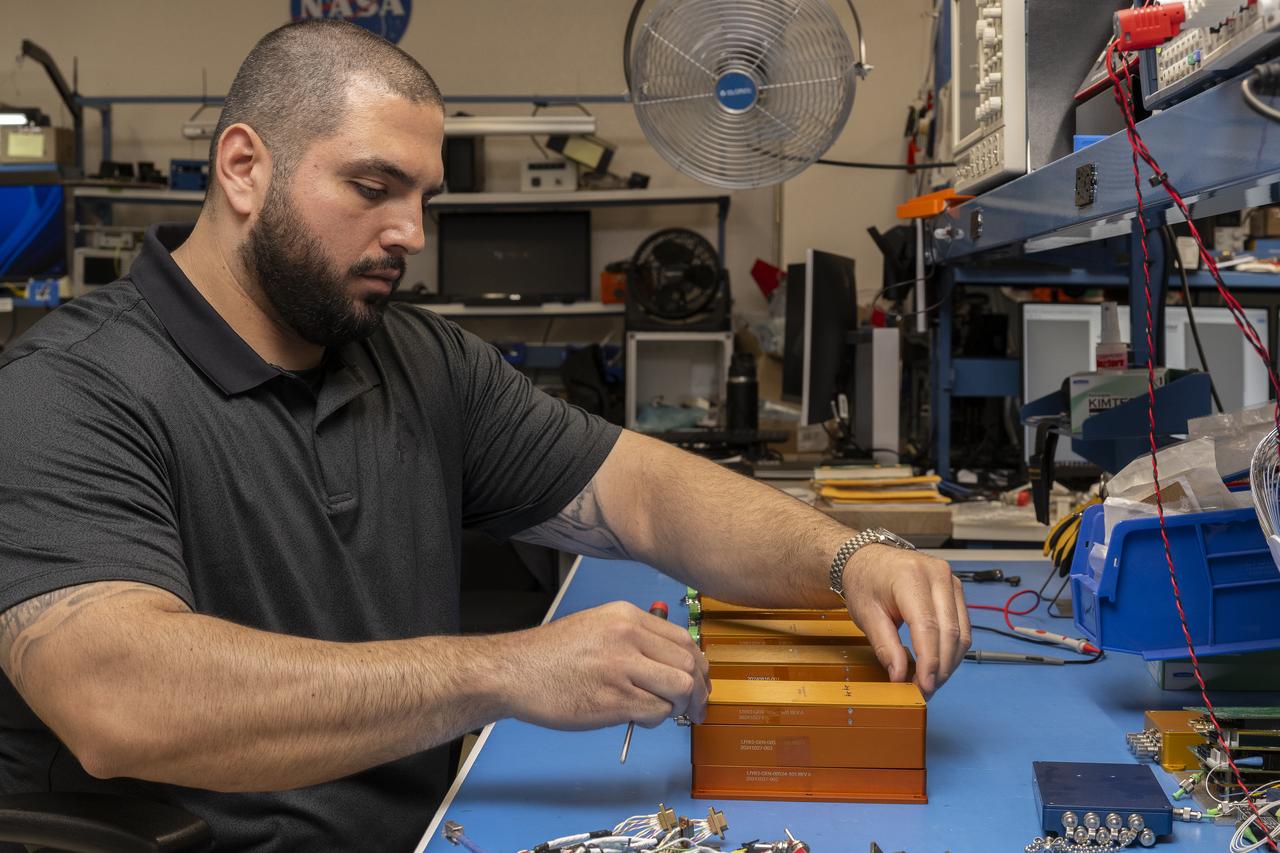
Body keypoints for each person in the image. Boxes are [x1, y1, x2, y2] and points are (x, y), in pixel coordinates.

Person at [0, 19, 969, 853]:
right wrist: (506, 671)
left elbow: (639, 489)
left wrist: (846, 555)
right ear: (245, 168)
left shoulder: (417, 362)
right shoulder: (69, 391)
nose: (411, 233)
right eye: (373, 187)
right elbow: (116, 701)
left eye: (422, 197)